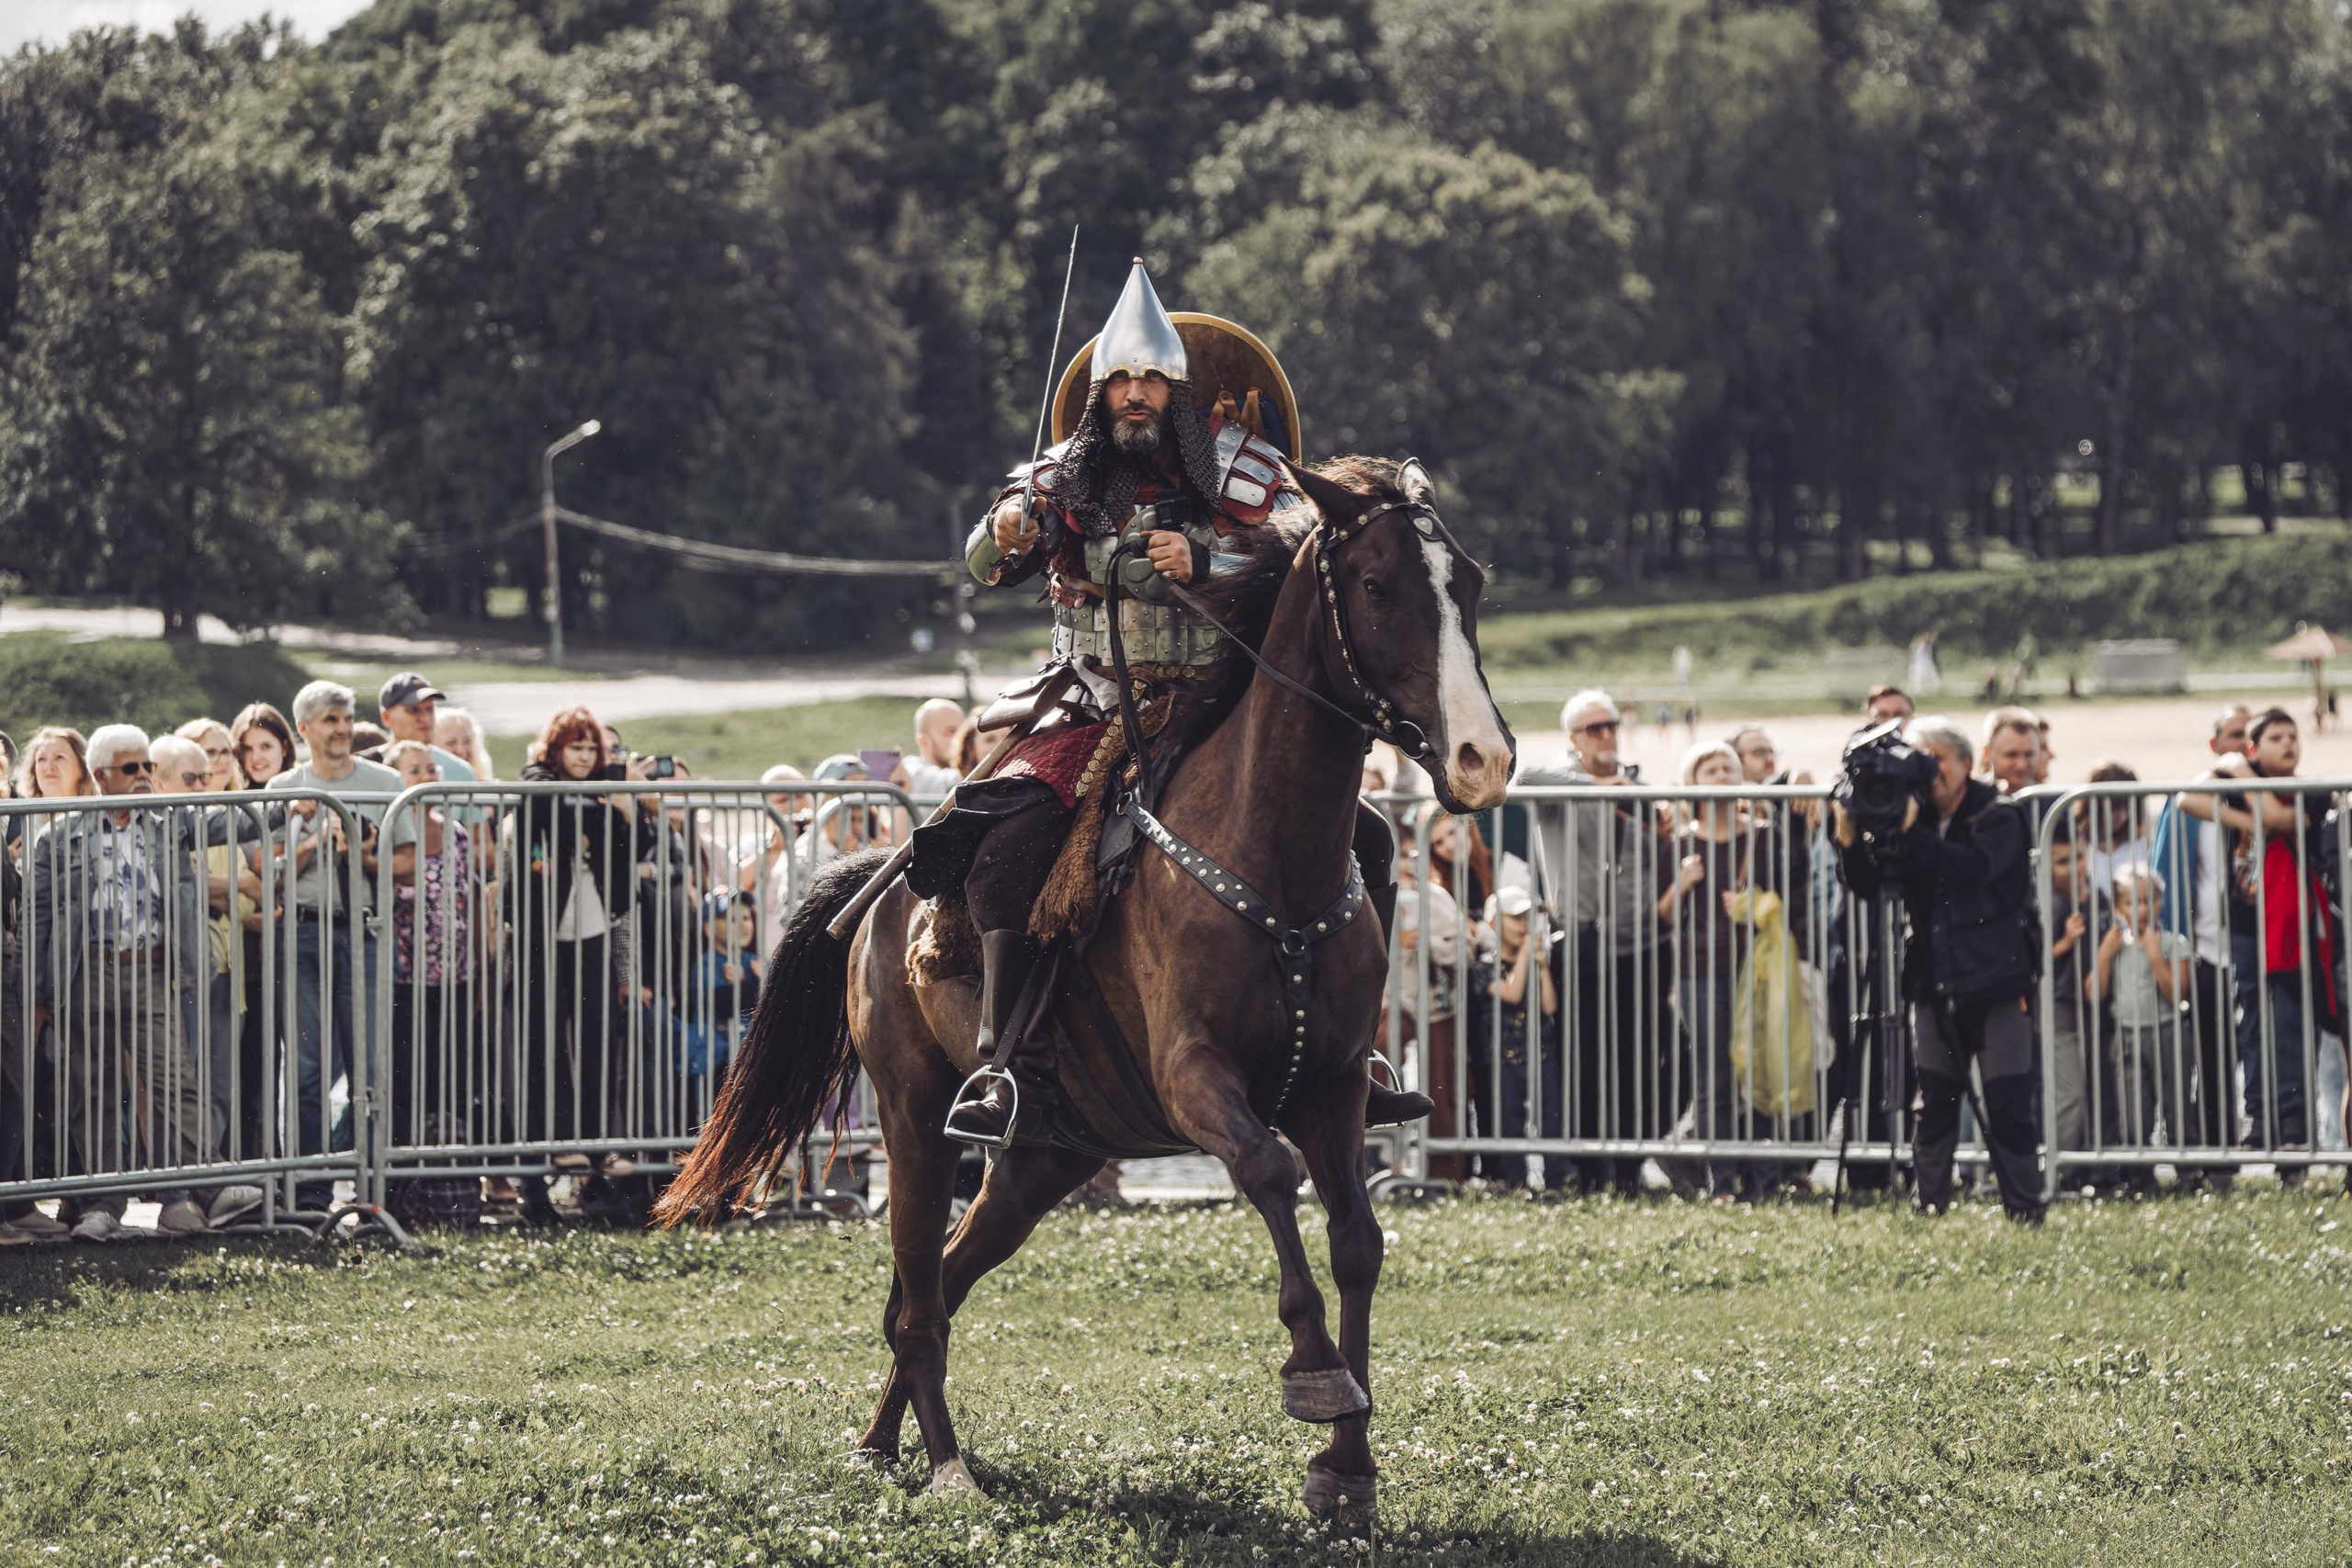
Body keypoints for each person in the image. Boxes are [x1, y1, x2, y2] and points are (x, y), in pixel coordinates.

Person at [912, 259, 1420, 1145]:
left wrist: (1213, 562)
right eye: (1121, 380)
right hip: (1091, 702)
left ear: (1175, 386)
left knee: (1367, 835)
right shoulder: (1061, 471)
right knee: (1008, 846)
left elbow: (1310, 554)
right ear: (1102, 390)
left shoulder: (1239, 464)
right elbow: (985, 561)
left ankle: (1358, 1052)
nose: (1135, 394)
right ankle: (1003, 1065)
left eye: (1150, 378)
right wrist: (1001, 533)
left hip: (1218, 699)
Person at [27, 727, 258, 1238]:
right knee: (95, 1088)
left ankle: (210, 1186)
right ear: (100, 775)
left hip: (152, 968)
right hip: (86, 971)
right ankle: (102, 1206)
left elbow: (223, 822)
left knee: (175, 1081)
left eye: (147, 768)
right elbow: (39, 917)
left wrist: (289, 806)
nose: (143, 779)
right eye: (131, 769)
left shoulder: (166, 824)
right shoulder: (58, 836)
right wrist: (40, 994)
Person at [1834, 716, 2044, 1221]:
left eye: (1938, 760)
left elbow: (1971, 869)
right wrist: (1847, 839)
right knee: (1933, 1104)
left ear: (1967, 764)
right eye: (1920, 761)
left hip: (1997, 981)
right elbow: (1871, 884)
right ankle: (1929, 1206)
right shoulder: (1914, 814)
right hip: (1932, 979)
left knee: (2008, 1102)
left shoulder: (1998, 814)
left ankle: (2024, 1210)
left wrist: (1911, 831)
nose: (1929, 773)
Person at [266, 681, 417, 1214]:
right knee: (306, 1068)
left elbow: (406, 863)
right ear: (303, 727)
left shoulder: (386, 781)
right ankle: (309, 1195)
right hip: (302, 931)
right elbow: (268, 874)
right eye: (330, 719)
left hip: (364, 929)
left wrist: (361, 850)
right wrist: (307, 835)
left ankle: (377, 1192)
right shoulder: (282, 786)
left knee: (370, 1069)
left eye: (347, 718)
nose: (342, 729)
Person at [1521, 689, 1678, 1196]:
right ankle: (1590, 1174)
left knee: (1640, 1056)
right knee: (1584, 1060)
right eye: (1595, 728)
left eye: (1611, 725)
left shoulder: (1639, 786)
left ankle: (1630, 1172)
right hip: (1581, 942)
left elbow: (1664, 831)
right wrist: (1594, 783)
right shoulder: (1560, 781)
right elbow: (1522, 778)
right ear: (1574, 738)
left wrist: (1632, 795)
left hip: (1640, 942)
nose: (1607, 734)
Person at [512, 706, 647, 1216]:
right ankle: (557, 1139)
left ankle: (594, 1143)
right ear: (556, 748)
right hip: (544, 926)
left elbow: (632, 845)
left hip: (593, 921)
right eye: (576, 747)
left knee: (596, 1035)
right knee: (547, 1035)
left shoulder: (607, 789)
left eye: (592, 749)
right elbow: (544, 812)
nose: (585, 757)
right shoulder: (538, 779)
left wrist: (622, 808)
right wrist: (601, 806)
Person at [2204, 709, 2338, 1166]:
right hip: (2246, 925)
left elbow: (2282, 816)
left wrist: (2241, 773)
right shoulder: (2240, 787)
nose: (2288, 744)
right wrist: (2244, 808)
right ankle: (2262, 1118)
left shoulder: (2312, 793)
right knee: (2254, 1021)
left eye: (2292, 736)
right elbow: (2187, 799)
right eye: (2275, 737)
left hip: (2295, 928)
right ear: (2255, 747)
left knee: (2292, 1019)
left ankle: (2295, 1118)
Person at [2150, 705, 2254, 1184]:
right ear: (2215, 745)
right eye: (2233, 735)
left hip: (2255, 949)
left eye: (2247, 737)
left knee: (2259, 1051)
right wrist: (2178, 946)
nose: (2241, 745)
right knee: (2208, 1059)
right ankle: (2215, 1159)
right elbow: (2167, 875)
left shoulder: (2268, 798)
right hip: (2207, 949)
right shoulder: (2191, 801)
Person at [383, 741, 478, 1156]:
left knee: (452, 1078)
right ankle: (403, 1178)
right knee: (404, 1082)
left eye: (431, 768)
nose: (426, 777)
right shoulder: (389, 834)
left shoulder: (457, 834)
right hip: (402, 980)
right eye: (414, 769)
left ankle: (446, 1179)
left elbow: (469, 902)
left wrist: (480, 969)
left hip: (454, 977)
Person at [2099, 866, 2190, 1194]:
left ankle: (2188, 1172)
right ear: (2119, 908)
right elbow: (2095, 992)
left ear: (2159, 902)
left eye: (2147, 901)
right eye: (2131, 902)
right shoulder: (2115, 944)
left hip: (2166, 1031)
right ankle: (2139, 1177)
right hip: (2127, 1035)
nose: (2140, 910)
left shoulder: (2172, 942)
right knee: (2133, 1108)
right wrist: (2103, 955)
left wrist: (2155, 957)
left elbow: (2178, 993)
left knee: (2176, 1105)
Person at [1464, 886, 1563, 1190]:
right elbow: (1511, 992)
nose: (1525, 926)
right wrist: (1525, 956)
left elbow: (1549, 1006)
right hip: (1503, 1061)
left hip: (1540, 1054)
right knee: (1509, 1122)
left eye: (1529, 918)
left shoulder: (1533, 962)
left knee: (1552, 1120)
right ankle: (1516, 1181)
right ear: (1494, 923)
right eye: (1516, 918)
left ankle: (1557, 1180)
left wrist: (1543, 967)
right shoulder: (1484, 967)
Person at [903, 698, 967, 801]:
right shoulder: (912, 771)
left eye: (963, 732)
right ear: (923, 741)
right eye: (950, 732)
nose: (961, 739)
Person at [229, 703, 297, 790]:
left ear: (285, 748)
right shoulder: (230, 797)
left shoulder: (307, 788)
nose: (255, 757)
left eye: (266, 747)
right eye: (247, 749)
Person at [434, 705, 497, 781]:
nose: (461, 751)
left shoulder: (490, 789)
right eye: (450, 743)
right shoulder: (422, 790)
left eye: (467, 741)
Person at [176, 719, 240, 793]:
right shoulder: (174, 804)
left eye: (225, 752)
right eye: (210, 753)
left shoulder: (249, 803)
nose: (223, 760)